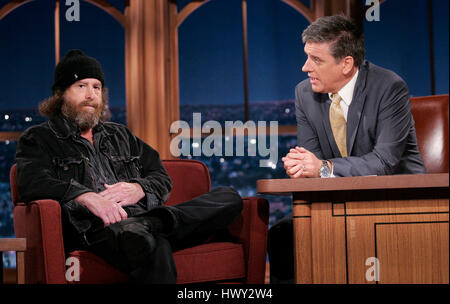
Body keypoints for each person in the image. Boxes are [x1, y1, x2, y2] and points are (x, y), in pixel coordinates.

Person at [15, 49, 243, 283]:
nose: (91, 94)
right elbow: (32, 182)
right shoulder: (40, 138)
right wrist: (86, 196)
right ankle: (149, 226)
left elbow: (160, 176)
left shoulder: (120, 134)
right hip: (97, 231)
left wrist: (139, 188)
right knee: (151, 243)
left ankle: (152, 223)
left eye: (96, 87)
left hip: (140, 222)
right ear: (61, 94)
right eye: (81, 86)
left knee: (230, 197)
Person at [268, 15, 426, 283]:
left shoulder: (388, 87)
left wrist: (324, 168)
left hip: (396, 202)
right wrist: (302, 166)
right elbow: (312, 160)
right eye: (307, 56)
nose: (305, 67)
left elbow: (384, 162)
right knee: (283, 234)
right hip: (337, 204)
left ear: (346, 64)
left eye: (316, 60)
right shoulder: (305, 93)